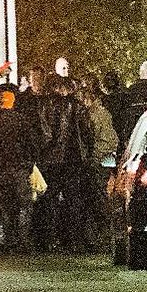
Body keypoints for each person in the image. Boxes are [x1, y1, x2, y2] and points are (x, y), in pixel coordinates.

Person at [36, 75, 93, 252]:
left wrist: (42, 152)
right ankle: (73, 239)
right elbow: (86, 131)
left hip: (51, 159)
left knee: (49, 198)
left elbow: (45, 134)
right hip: (73, 157)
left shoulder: (43, 105)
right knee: (73, 199)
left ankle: (49, 239)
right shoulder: (76, 105)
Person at [0, 86, 36, 250]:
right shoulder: (21, 120)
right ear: (13, 102)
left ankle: (5, 239)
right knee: (24, 205)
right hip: (19, 168)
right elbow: (31, 145)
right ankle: (22, 240)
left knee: (4, 205)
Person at [80, 87, 118, 250]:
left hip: (99, 161)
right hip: (98, 160)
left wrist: (93, 157)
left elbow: (109, 140)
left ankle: (105, 235)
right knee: (96, 198)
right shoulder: (97, 113)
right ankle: (99, 236)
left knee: (99, 199)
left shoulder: (98, 114)